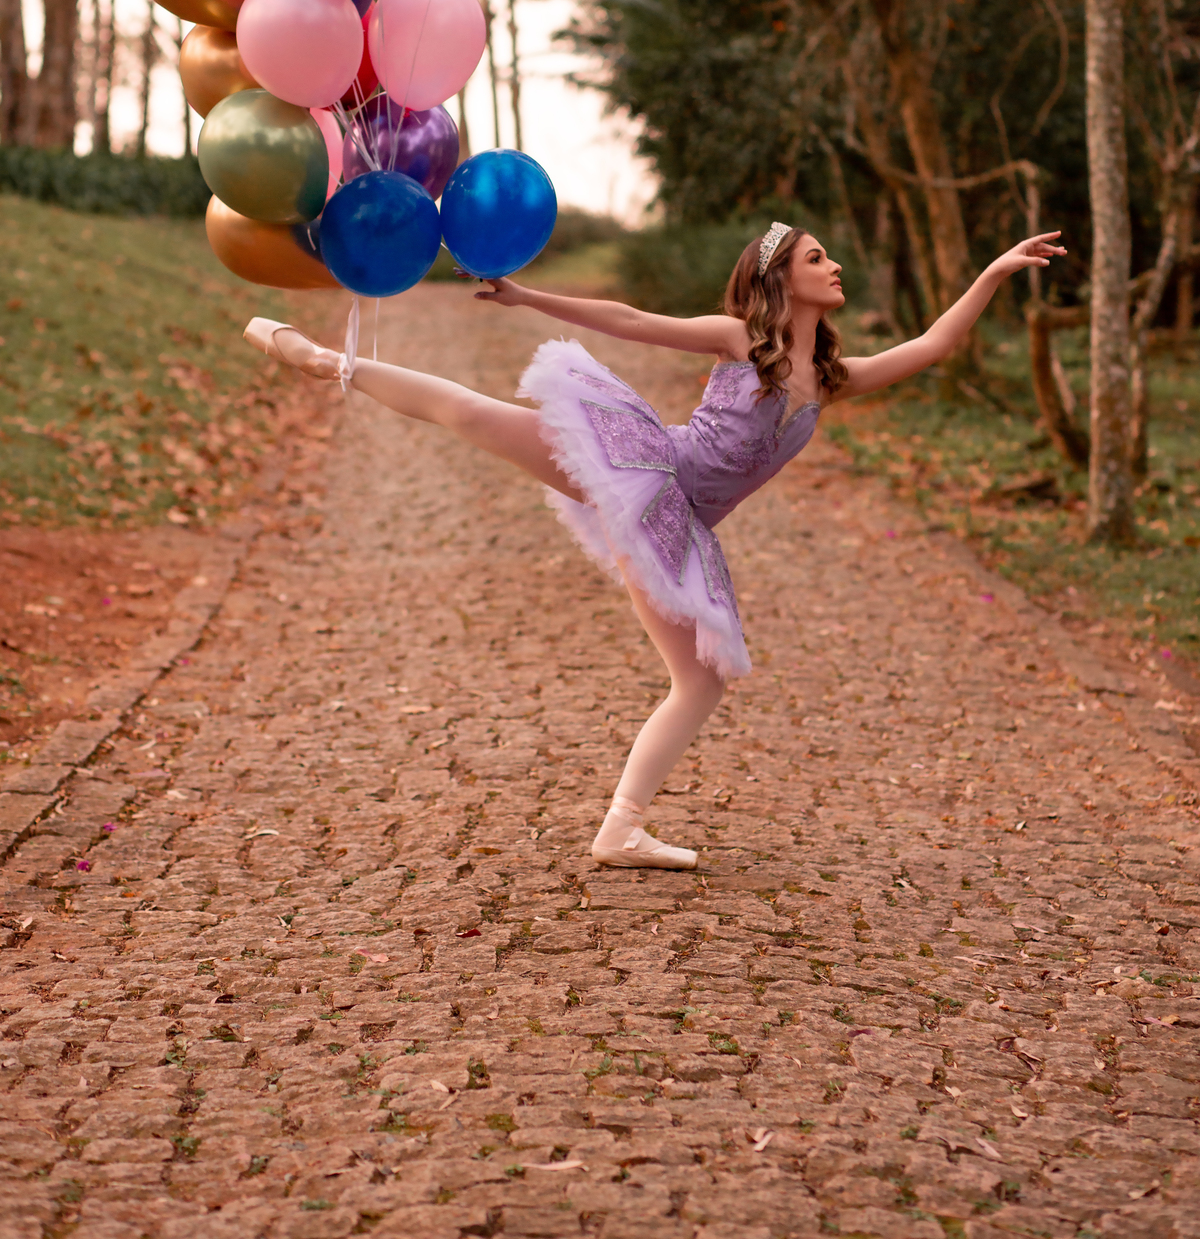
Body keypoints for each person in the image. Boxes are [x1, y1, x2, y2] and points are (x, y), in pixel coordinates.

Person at [245, 221, 1065, 871]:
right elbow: (634, 322)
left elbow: (932, 348)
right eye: (820, 258)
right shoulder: (744, 338)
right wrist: (531, 297)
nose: (836, 266)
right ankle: (330, 362)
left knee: (700, 683)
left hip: (678, 523)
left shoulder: (829, 379)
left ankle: (621, 830)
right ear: (782, 278)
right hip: (645, 467)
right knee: (482, 417)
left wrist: (993, 272)